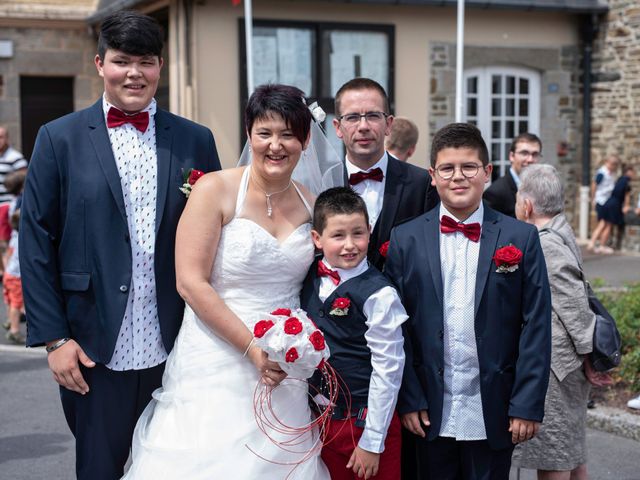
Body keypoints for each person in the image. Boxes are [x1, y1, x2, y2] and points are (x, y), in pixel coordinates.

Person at [19, 11, 220, 479]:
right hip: (93, 346)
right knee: (99, 469)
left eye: (146, 62)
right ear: (99, 64)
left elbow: (218, 236)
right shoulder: (58, 138)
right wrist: (56, 339)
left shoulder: (196, 139)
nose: (134, 73)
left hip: (178, 345)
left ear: (160, 67)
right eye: (122, 61)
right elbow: (35, 243)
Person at [123, 84, 331, 479]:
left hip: (284, 359)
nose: (275, 145)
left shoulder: (310, 201)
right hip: (215, 352)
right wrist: (253, 348)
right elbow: (190, 282)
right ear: (249, 134)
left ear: (305, 139)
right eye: (265, 133)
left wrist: (297, 348)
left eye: (288, 134)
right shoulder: (215, 189)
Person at [385, 122, 552, 479]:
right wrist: (409, 398)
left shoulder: (521, 238)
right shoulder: (406, 239)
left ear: (487, 172)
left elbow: (536, 324)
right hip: (430, 407)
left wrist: (525, 403)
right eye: (447, 168)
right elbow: (395, 329)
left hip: (493, 406)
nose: (458, 177)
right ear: (433, 175)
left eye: (469, 167)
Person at [511, 164, 613, 480]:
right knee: (570, 449)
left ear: (526, 205)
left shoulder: (544, 244)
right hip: (566, 362)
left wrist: (590, 357)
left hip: (559, 365)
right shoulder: (561, 230)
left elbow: (573, 305)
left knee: (555, 455)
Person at [301, 187, 407, 480]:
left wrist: (373, 442)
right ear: (317, 239)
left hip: (365, 424)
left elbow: (389, 369)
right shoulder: (307, 277)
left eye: (358, 233)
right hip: (319, 424)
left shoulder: (380, 294)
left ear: (370, 232)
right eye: (338, 236)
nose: (350, 245)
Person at [333, 78, 439, 272]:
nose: (363, 126)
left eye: (373, 116)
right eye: (352, 117)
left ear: (389, 124)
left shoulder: (422, 184)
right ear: (338, 127)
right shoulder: (323, 183)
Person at [483, 132, 543, 217]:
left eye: (535, 154)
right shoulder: (495, 194)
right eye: (524, 153)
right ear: (511, 156)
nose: (530, 159)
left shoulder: (542, 188)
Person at [2, 170, 26, 344]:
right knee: (16, 302)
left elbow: (7, 251)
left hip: (9, 274)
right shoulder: (21, 242)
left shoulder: (10, 204)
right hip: (16, 275)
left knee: (12, 301)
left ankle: (11, 321)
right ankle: (15, 330)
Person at [598, 165, 635, 253]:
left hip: (608, 202)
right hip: (614, 204)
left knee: (602, 224)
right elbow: (627, 195)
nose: (634, 174)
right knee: (608, 225)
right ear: (628, 172)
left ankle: (593, 243)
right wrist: (626, 206)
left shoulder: (619, 179)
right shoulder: (626, 181)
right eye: (632, 172)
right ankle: (602, 246)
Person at [588, 156, 619, 253]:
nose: (613, 166)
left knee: (605, 223)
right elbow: (594, 185)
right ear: (606, 162)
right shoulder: (602, 172)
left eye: (615, 165)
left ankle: (596, 244)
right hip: (602, 201)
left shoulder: (609, 173)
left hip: (605, 200)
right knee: (604, 223)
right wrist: (593, 199)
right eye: (612, 164)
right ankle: (595, 243)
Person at [0, 126, 28, 204]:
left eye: (1, 137)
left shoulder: (16, 158)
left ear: (7, 139)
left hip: (9, 205)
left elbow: (24, 181)